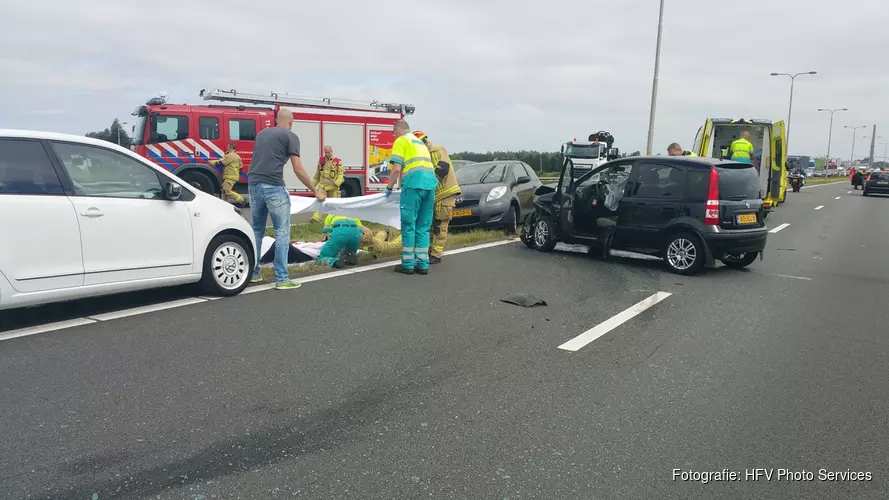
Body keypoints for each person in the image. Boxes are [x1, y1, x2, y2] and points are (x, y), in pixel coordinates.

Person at [248, 108, 325, 290]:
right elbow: (297, 168)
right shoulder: (290, 136)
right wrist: (315, 191)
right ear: (291, 121)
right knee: (282, 232)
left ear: (276, 120)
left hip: (254, 184)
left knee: (257, 231)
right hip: (273, 186)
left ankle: (254, 273)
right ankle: (282, 279)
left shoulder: (261, 134)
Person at [385, 120, 438, 275]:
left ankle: (408, 264)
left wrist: (389, 188)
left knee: (409, 225)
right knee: (423, 227)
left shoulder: (401, 141)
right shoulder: (419, 142)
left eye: (393, 131)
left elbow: (396, 169)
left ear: (397, 129)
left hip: (413, 186)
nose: (393, 134)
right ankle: (423, 265)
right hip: (429, 186)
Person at [412, 131, 461, 263]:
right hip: (433, 194)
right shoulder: (421, 153)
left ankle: (436, 254)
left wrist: (428, 185)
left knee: (440, 224)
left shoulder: (437, 149)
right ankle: (428, 251)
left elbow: (442, 169)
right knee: (429, 224)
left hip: (444, 192)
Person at [311, 145, 345, 223]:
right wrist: (312, 185)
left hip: (333, 188)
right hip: (322, 187)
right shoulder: (321, 161)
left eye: (328, 152)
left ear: (331, 151)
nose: (326, 154)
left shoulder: (337, 162)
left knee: (334, 205)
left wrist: (337, 184)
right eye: (325, 152)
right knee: (320, 203)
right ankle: (315, 219)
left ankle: (336, 220)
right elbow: (317, 175)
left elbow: (341, 175)